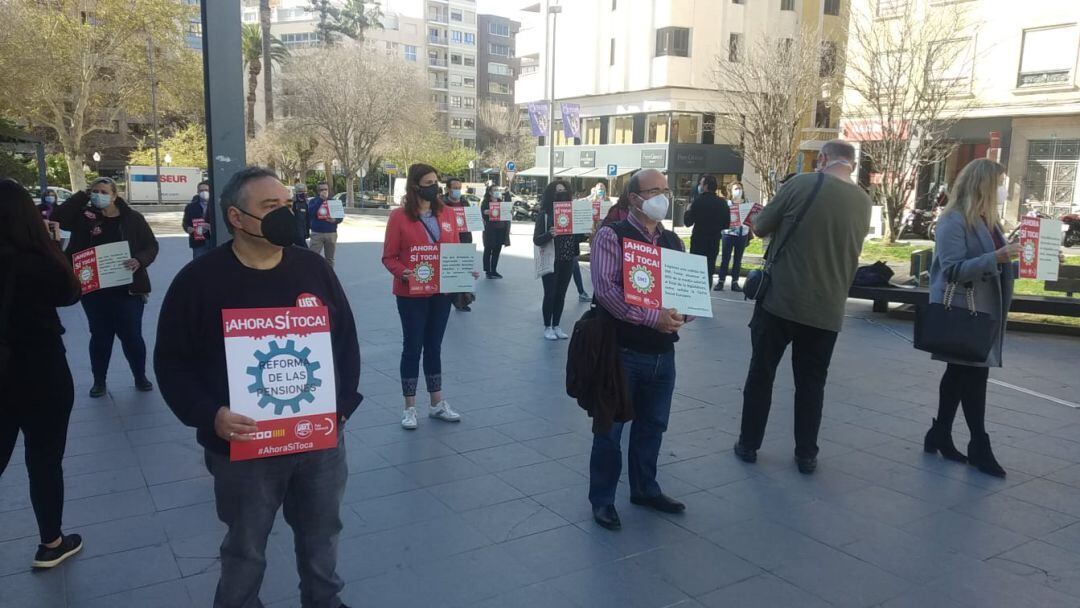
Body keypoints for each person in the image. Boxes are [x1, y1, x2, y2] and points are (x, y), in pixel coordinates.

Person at [154, 167, 361, 608]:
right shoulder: (199, 281)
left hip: (319, 443)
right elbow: (172, 364)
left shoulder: (313, 269)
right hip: (242, 446)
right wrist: (211, 415)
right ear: (237, 217)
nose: (286, 215)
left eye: (288, 205)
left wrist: (342, 407)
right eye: (271, 208)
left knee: (322, 534)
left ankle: (325, 601)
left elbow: (344, 342)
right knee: (246, 546)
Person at [733, 140, 871, 474]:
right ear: (851, 164)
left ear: (822, 159)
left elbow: (760, 226)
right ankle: (806, 454)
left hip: (781, 301)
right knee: (811, 385)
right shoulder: (864, 202)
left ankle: (749, 445)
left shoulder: (802, 184)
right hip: (828, 309)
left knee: (761, 374)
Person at [588, 168, 688, 530]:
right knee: (610, 430)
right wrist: (652, 319)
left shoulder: (673, 242)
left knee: (653, 426)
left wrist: (685, 313)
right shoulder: (612, 236)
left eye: (665, 188)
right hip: (621, 353)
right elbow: (607, 292)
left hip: (664, 354)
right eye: (653, 190)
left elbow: (686, 290)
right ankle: (602, 500)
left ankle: (645, 488)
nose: (662, 196)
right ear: (634, 198)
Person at [0, 180, 84, 569]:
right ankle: (51, 542)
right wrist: (53, 246)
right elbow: (70, 292)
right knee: (45, 458)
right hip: (42, 369)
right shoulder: (37, 259)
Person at [923, 159, 1017, 478]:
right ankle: (980, 445)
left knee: (959, 375)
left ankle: (939, 433)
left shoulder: (989, 221)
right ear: (983, 184)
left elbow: (997, 262)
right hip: (966, 310)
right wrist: (998, 257)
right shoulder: (953, 220)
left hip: (984, 311)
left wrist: (1022, 257)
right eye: (1000, 182)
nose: (1004, 189)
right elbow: (951, 270)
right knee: (974, 378)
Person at [53, 177, 159, 398]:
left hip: (128, 291)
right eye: (94, 191)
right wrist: (83, 194)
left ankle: (140, 376)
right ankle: (99, 381)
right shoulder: (85, 217)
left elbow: (151, 245)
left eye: (103, 191)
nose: (97, 194)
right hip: (94, 291)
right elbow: (58, 218)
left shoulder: (133, 219)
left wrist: (139, 260)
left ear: (114, 195)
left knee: (132, 337)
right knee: (100, 337)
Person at [382, 163, 466, 430]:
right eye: (429, 183)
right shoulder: (399, 217)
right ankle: (409, 407)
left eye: (436, 182)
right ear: (416, 186)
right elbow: (389, 257)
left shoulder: (448, 215)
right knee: (412, 347)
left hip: (440, 292)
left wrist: (464, 271)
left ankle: (437, 402)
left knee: (434, 346)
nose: (436, 188)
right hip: (411, 294)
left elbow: (453, 252)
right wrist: (404, 272)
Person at [534, 180, 587, 340]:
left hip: (568, 258)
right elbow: (537, 239)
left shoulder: (573, 213)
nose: (561, 193)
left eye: (564, 190)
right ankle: (547, 326)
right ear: (551, 194)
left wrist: (585, 229)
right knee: (550, 293)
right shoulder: (544, 215)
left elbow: (578, 238)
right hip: (551, 258)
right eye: (558, 191)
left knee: (561, 294)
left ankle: (556, 325)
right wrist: (550, 234)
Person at [683, 175, 728, 290]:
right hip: (713, 241)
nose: (700, 186)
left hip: (698, 241)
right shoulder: (722, 203)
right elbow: (726, 225)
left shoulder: (697, 201)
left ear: (706, 186)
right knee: (709, 269)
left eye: (702, 184)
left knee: (696, 270)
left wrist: (688, 210)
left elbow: (688, 222)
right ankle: (706, 292)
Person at [443, 177, 474, 312]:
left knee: (463, 271)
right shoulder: (441, 204)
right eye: (455, 188)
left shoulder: (464, 202)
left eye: (459, 188)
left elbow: (471, 219)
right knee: (450, 272)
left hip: (465, 239)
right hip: (449, 241)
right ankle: (448, 299)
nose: (457, 190)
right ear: (448, 189)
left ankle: (462, 300)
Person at [718, 181, 752, 292]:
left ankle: (735, 282)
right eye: (735, 188)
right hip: (728, 234)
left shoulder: (747, 203)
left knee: (738, 260)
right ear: (731, 191)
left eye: (740, 188)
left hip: (742, 234)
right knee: (725, 259)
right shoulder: (727, 204)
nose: (738, 190)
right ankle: (721, 281)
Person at [307, 182, 343, 267]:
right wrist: (320, 200)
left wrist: (334, 220)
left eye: (325, 189)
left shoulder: (334, 202)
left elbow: (340, 218)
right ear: (318, 191)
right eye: (321, 190)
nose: (324, 191)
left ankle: (329, 278)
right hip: (317, 233)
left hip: (331, 233)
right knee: (312, 257)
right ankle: (313, 276)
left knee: (329, 259)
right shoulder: (313, 201)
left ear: (328, 190)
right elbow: (311, 214)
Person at [480, 185, 509, 279]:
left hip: (500, 229)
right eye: (494, 190)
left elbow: (506, 211)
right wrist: (486, 212)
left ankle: (494, 270)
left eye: (497, 190)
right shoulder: (485, 202)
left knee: (497, 249)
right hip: (489, 229)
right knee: (488, 249)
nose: (497, 191)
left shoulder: (500, 202)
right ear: (490, 192)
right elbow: (483, 212)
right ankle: (487, 271)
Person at [182, 180, 214, 259]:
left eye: (206, 190)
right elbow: (185, 222)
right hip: (198, 242)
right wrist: (188, 228)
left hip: (213, 240)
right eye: (201, 190)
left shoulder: (216, 205)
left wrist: (211, 226)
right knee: (199, 265)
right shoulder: (190, 207)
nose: (204, 192)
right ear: (197, 192)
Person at [292, 182, 310, 248]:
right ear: (296, 192)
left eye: (304, 191)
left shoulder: (307, 203)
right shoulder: (292, 202)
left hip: (304, 232)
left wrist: (307, 232)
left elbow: (308, 218)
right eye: (300, 191)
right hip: (295, 234)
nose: (302, 193)